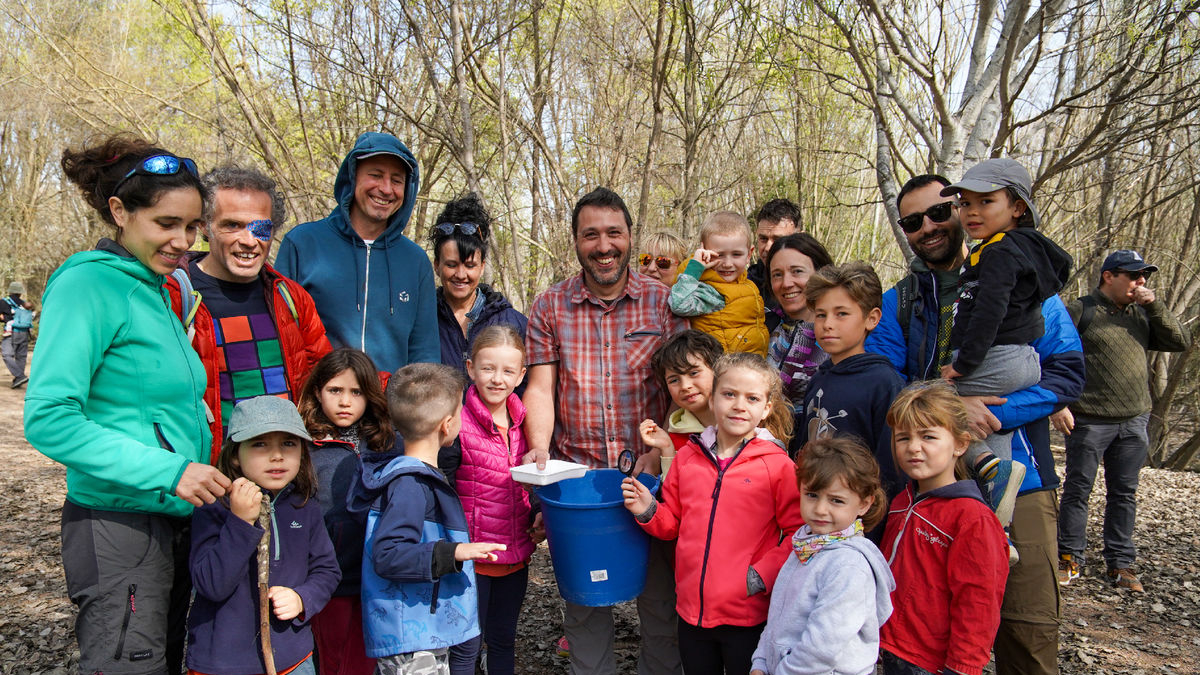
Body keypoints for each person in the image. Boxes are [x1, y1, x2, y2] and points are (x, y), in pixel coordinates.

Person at [865, 173, 1084, 675]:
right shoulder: (902, 301)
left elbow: (1068, 374)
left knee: (1027, 630)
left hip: (1020, 479)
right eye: (913, 221)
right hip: (930, 490)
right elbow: (885, 381)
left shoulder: (1025, 281)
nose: (930, 227)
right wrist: (945, 410)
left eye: (941, 211)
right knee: (928, 631)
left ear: (963, 211)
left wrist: (992, 414)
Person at [27, 135, 230, 675]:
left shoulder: (160, 290)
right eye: (166, 223)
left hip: (173, 519)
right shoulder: (88, 284)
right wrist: (172, 469)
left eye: (191, 226)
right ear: (119, 211)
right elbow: (49, 418)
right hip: (117, 522)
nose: (183, 241)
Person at [522, 187, 686, 675]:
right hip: (581, 484)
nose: (603, 245)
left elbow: (685, 388)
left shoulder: (663, 303)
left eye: (614, 233)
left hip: (651, 476)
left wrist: (662, 454)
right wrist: (538, 450)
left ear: (629, 236)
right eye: (590, 234)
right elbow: (541, 387)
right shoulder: (550, 305)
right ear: (575, 240)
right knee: (586, 601)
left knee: (660, 602)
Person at [623, 353, 805, 675]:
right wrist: (647, 509)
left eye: (752, 398)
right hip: (691, 612)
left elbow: (799, 534)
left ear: (766, 410)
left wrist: (759, 576)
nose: (739, 405)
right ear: (714, 397)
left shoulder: (777, 466)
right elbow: (672, 525)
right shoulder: (687, 458)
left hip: (747, 614)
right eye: (729, 394)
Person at [166, 166, 332, 462]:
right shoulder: (175, 295)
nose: (249, 240)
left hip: (285, 470)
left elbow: (322, 380)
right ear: (205, 226)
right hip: (208, 473)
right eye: (232, 225)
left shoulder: (290, 297)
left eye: (260, 228)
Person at [937, 160, 1072, 522]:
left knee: (932, 407)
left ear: (1017, 207)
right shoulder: (1013, 249)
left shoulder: (1000, 252)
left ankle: (982, 472)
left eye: (986, 202)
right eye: (965, 203)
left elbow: (990, 312)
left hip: (996, 357)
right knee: (988, 431)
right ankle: (998, 527)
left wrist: (964, 365)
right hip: (1019, 358)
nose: (972, 212)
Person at [353, 362, 506, 675]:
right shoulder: (409, 485)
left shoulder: (419, 477)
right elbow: (388, 554)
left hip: (428, 626)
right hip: (413, 639)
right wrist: (455, 553)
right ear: (446, 424)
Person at [1054, 249, 1190, 592]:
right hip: (1087, 419)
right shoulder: (1080, 310)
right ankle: (1069, 557)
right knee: (1077, 490)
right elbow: (1050, 355)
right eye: (1133, 275)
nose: (1140, 281)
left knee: (1124, 493)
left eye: (1144, 275)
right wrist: (1057, 404)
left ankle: (1121, 564)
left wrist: (1154, 305)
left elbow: (1180, 341)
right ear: (1109, 276)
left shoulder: (1142, 314)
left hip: (1134, 421)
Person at [187, 396, 341, 675]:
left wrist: (302, 598)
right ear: (235, 453)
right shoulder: (214, 506)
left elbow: (327, 570)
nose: (277, 455)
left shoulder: (304, 505)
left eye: (288, 443)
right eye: (260, 444)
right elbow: (210, 585)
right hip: (223, 663)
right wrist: (240, 522)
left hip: (293, 660)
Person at [276, 131, 438, 374]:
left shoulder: (415, 261)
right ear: (352, 178)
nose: (386, 189)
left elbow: (424, 351)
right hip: (317, 404)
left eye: (396, 180)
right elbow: (281, 335)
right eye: (375, 175)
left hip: (391, 408)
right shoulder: (303, 244)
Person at [880, 382, 1008, 675]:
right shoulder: (903, 500)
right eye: (903, 438)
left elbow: (979, 601)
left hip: (932, 662)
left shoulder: (971, 517)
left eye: (928, 436)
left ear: (960, 444)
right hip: (891, 647)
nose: (913, 447)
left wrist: (963, 667)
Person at [749, 437, 894, 675]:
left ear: (864, 504)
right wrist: (761, 662)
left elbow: (821, 648)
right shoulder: (806, 545)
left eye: (836, 500)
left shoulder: (849, 566)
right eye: (812, 495)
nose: (820, 509)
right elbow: (778, 616)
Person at [299, 348, 398, 675]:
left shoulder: (386, 444)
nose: (345, 402)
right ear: (317, 391)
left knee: (367, 658)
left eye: (356, 392)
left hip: (378, 577)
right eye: (335, 391)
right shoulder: (304, 449)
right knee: (334, 658)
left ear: (370, 395)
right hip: (330, 579)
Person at [453, 326, 537, 675]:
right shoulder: (455, 420)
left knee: (503, 640)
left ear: (520, 375)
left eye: (507, 371)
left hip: (514, 556)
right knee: (466, 646)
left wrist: (540, 514)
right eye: (488, 368)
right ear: (471, 368)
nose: (497, 379)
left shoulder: (524, 421)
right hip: (471, 561)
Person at [796, 262, 905, 498]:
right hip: (814, 512)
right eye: (821, 315)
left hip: (861, 520)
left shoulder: (884, 383)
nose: (828, 324)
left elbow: (891, 467)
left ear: (872, 318)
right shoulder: (818, 380)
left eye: (841, 314)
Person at [430, 193, 528, 374]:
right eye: (451, 265)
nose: (461, 274)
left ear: (482, 266)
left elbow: (526, 386)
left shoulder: (513, 323)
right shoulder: (424, 318)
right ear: (437, 265)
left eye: (470, 265)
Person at [668, 211, 769, 356]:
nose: (728, 264)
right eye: (719, 255)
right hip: (723, 371)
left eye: (736, 254)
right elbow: (678, 304)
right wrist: (695, 268)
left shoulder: (747, 284)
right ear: (703, 252)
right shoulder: (710, 289)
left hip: (750, 368)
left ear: (749, 254)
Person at [764, 233, 833, 415]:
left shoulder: (837, 335)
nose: (786, 283)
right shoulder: (764, 327)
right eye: (777, 275)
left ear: (821, 273)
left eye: (797, 271)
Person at [638, 330, 724, 476]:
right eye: (674, 380)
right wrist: (666, 449)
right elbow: (673, 491)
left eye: (693, 373)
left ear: (718, 370)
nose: (685, 386)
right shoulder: (674, 437)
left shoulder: (743, 421)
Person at [748, 199, 802, 332]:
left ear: (801, 239)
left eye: (778, 240)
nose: (768, 247)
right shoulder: (747, 286)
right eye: (763, 239)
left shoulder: (820, 285)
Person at [1, 281, 35, 387]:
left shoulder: (3, 302)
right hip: (24, 333)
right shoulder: (24, 304)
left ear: (10, 291)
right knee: (21, 356)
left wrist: (5, 318)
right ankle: (18, 379)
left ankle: (19, 376)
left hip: (11, 333)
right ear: (20, 293)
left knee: (6, 354)